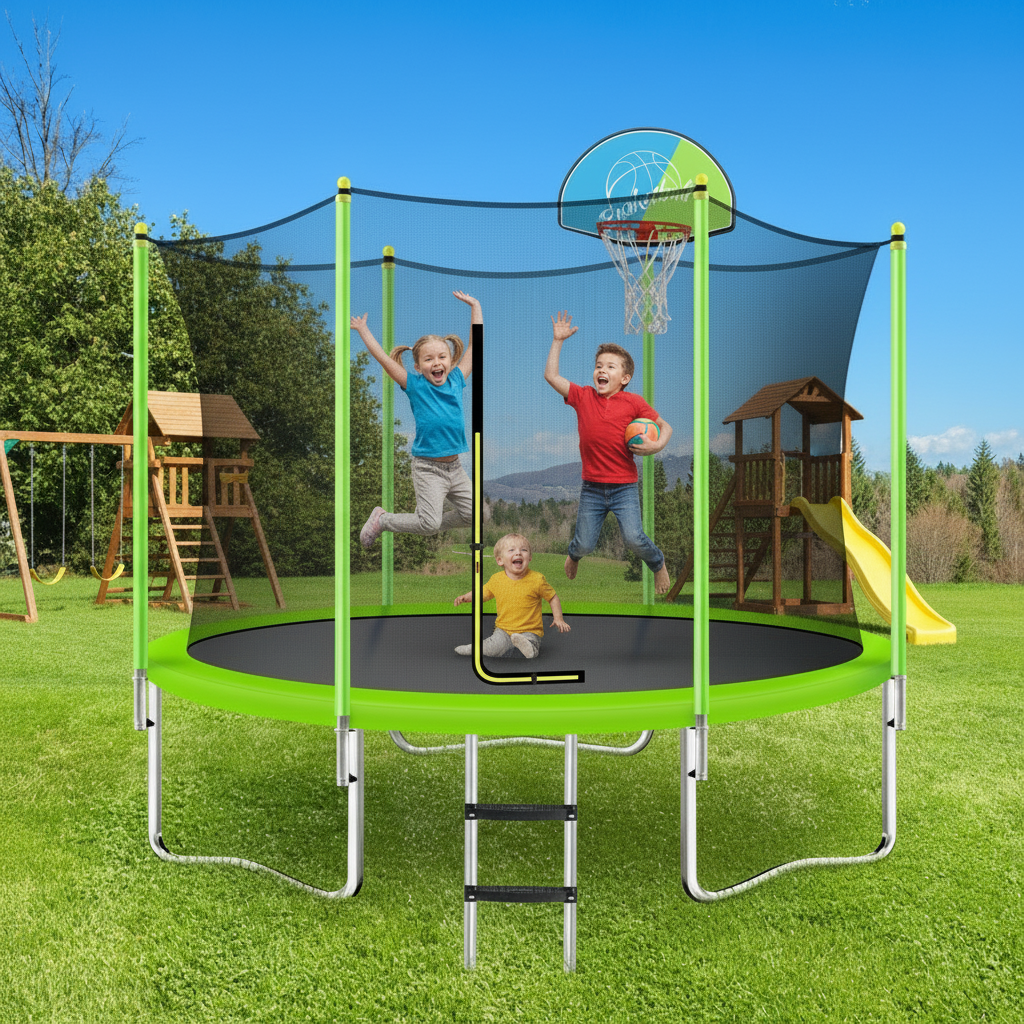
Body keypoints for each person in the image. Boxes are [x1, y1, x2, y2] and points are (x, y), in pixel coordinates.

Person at [544, 311, 673, 594]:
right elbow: (551, 376)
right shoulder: (583, 396)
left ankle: (658, 563)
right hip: (592, 487)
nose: (602, 370)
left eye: (611, 367)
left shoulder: (634, 403)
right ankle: (574, 556)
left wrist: (657, 445)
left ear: (625, 378)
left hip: (624, 487)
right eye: (599, 365)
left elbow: (666, 427)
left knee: (634, 539)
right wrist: (557, 341)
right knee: (585, 543)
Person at [353, 291, 479, 547]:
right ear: (419, 367)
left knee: (478, 516)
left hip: (454, 468)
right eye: (429, 359)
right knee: (429, 524)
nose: (437, 363)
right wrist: (363, 330)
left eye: (442, 357)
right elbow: (383, 359)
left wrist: (475, 306)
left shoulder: (456, 380)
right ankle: (383, 520)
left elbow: (476, 345)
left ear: (450, 360)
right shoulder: (415, 386)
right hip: (428, 469)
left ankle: (428, 520)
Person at [452, 533, 570, 659]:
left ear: (529, 557)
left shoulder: (537, 579)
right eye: (511, 550)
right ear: (500, 560)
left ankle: (530, 648)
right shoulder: (496, 580)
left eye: (523, 550)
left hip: (529, 630)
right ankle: (475, 648)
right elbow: (482, 593)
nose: (518, 553)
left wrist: (558, 618)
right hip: (504, 630)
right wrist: (467, 597)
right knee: (493, 647)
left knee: (530, 640)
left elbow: (552, 597)